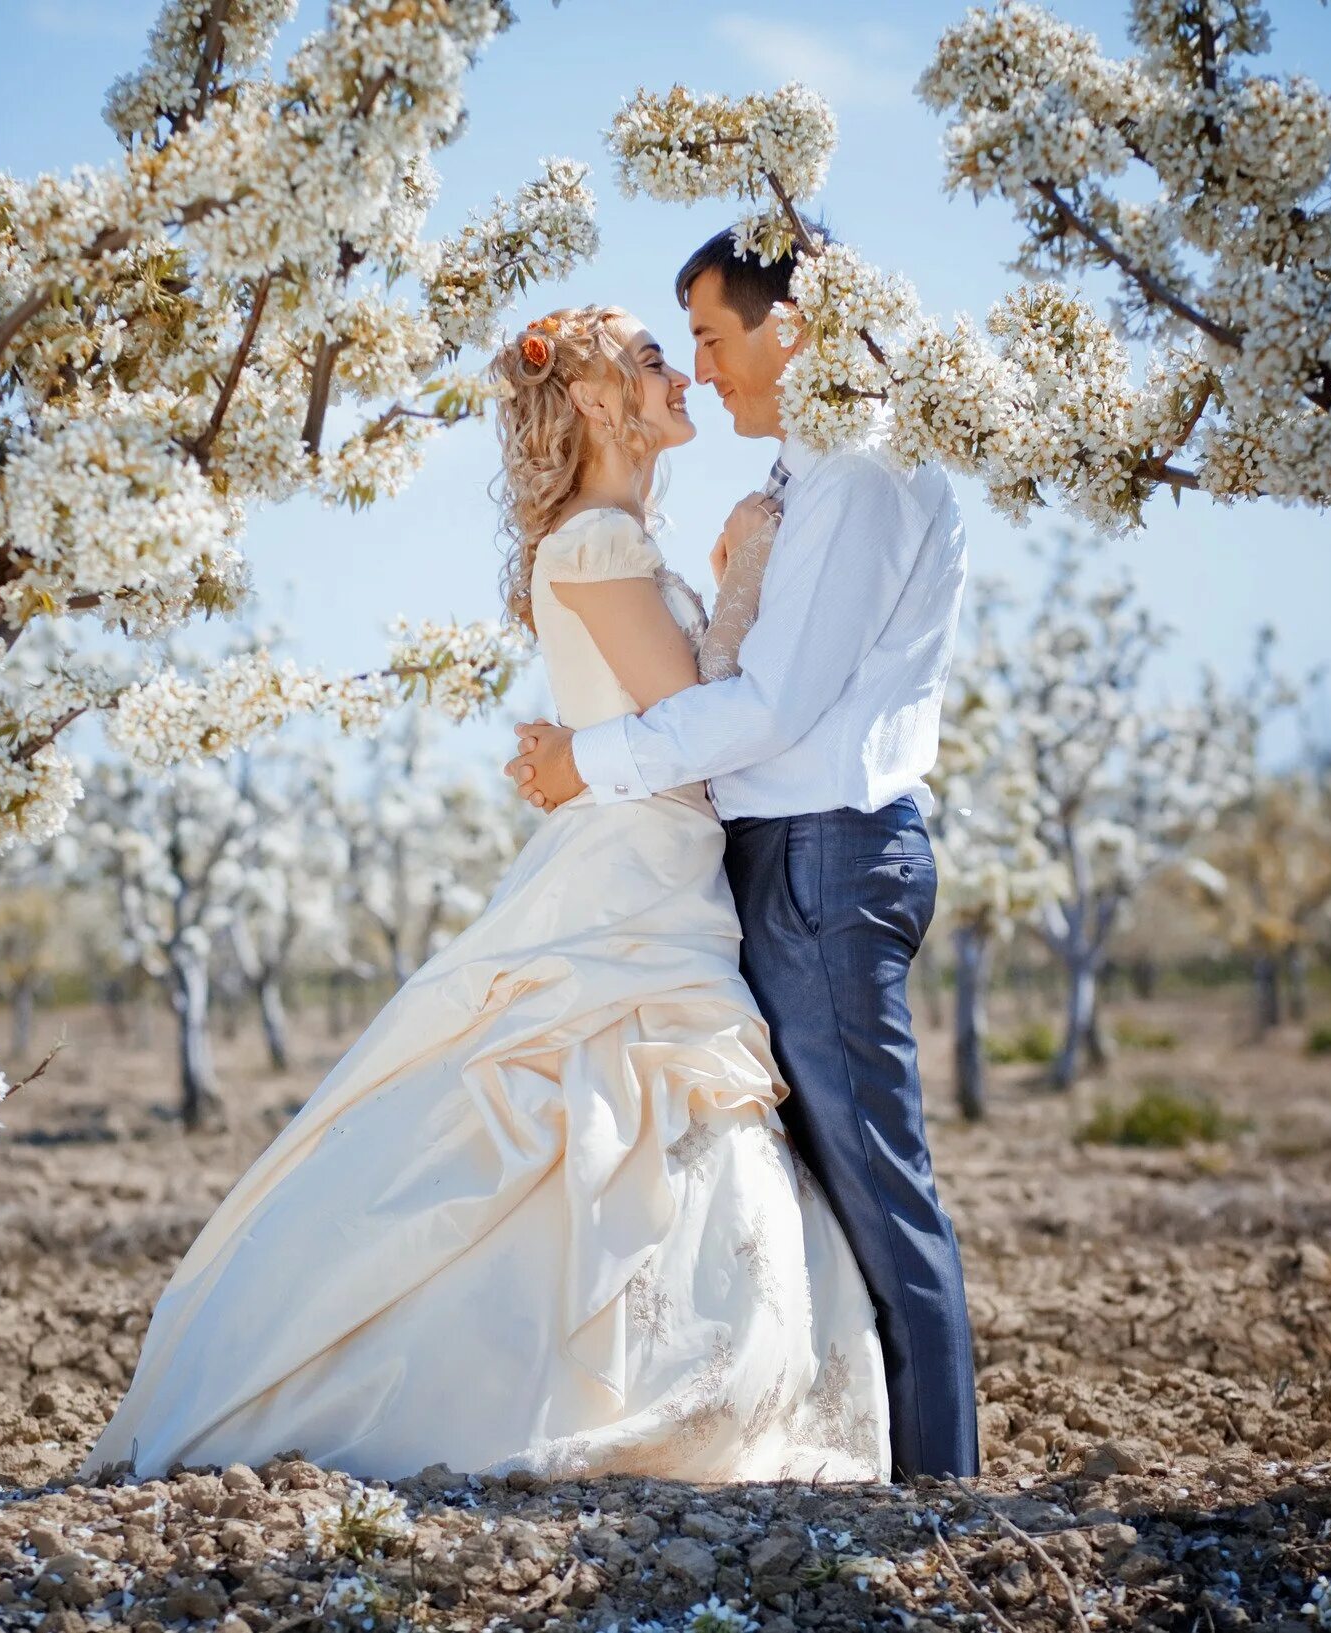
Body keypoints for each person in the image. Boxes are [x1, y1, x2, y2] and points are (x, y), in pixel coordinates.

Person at [81, 302, 888, 1486]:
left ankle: (648, 1372)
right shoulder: (596, 546)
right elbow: (698, 720)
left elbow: (658, 711)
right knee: (618, 1107)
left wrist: (708, 586)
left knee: (641, 1119)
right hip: (631, 878)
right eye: (656, 362)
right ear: (599, 399)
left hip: (658, 865)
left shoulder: (615, 539)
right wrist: (747, 574)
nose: (683, 379)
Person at [506, 229, 981, 1479]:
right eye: (686, 350)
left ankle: (942, 1487)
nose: (704, 374)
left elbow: (765, 708)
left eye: (712, 340)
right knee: (826, 1196)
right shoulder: (804, 476)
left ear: (796, 325)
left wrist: (584, 764)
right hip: (777, 861)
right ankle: (887, 1467)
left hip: (823, 857)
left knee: (877, 1197)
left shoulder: (861, 475)